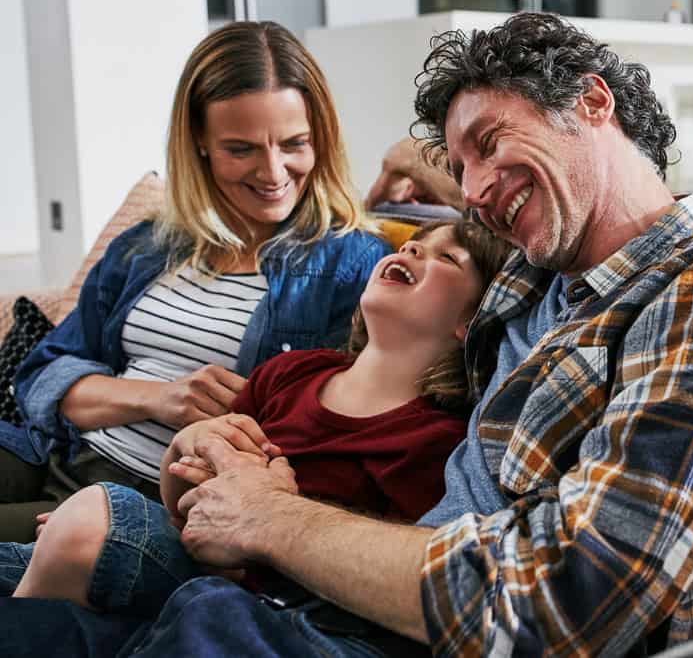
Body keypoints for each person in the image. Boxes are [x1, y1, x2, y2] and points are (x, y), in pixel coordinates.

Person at [0, 12, 693, 657]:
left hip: (388, 627)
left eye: (489, 145)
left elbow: (570, 602)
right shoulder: (537, 276)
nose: (472, 187)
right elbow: (436, 222)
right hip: (329, 596)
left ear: (593, 100)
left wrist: (269, 520)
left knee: (200, 613)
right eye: (460, 168)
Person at [0, 21, 392, 542]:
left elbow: (334, 436)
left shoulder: (353, 264)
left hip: (147, 497)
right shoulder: (149, 245)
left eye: (294, 143)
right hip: (53, 451)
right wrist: (158, 398)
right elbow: (42, 374)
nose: (274, 172)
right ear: (199, 145)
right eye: (241, 149)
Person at [1, 219, 511, 617]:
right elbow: (182, 503)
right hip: (180, 541)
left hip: (253, 597)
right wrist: (189, 446)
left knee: (91, 517)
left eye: (447, 256)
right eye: (412, 244)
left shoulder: (434, 441)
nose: (412, 249)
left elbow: (372, 574)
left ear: (472, 322)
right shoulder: (291, 371)